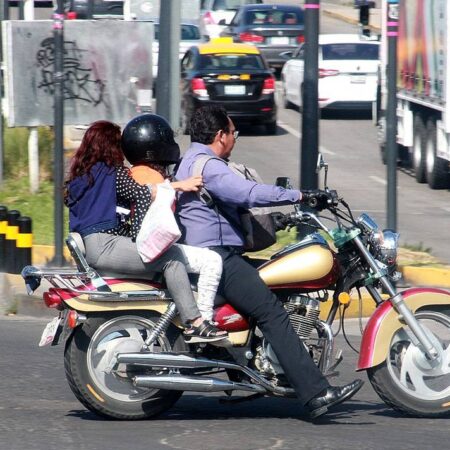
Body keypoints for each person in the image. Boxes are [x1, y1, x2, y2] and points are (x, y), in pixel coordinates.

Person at [175, 105, 364, 419]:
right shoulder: (210, 166)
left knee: (272, 288)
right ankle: (316, 393)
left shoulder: (189, 160)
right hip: (217, 257)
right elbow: (248, 193)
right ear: (220, 136)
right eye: (232, 132)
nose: (235, 138)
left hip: (213, 253)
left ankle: (263, 367)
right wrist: (301, 196)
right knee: (271, 311)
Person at [64, 119, 226, 343]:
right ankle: (195, 322)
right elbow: (142, 193)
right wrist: (142, 236)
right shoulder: (112, 173)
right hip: (106, 246)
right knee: (170, 258)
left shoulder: (82, 175)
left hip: (92, 247)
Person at [121, 113, 226, 330]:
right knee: (212, 261)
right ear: (154, 145)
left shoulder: (134, 172)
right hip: (151, 249)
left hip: (137, 246)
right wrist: (180, 186)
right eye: (167, 139)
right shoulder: (150, 177)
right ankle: (203, 322)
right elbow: (154, 194)